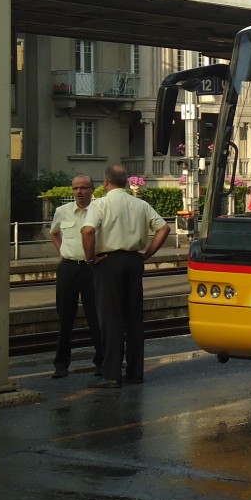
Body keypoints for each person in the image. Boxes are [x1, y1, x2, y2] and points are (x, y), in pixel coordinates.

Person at [81, 165, 171, 389]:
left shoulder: (99, 204)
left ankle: (112, 374)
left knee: (110, 319)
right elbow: (164, 228)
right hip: (133, 261)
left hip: (108, 262)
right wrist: (147, 255)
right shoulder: (140, 204)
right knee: (133, 318)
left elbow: (88, 231)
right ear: (125, 182)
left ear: (106, 182)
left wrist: (90, 258)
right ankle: (135, 372)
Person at [47, 174, 104, 379]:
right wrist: (61, 252)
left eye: (84, 187)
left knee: (96, 316)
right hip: (68, 268)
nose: (79, 192)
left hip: (92, 268)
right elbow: (54, 232)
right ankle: (61, 364)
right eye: (75, 188)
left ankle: (101, 362)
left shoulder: (99, 210)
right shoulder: (62, 211)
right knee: (65, 317)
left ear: (92, 190)